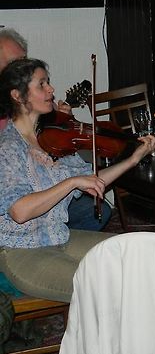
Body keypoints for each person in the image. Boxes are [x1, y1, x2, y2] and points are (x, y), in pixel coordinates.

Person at [0, 58, 155, 302]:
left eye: (48, 82)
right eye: (42, 84)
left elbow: (91, 180)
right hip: (23, 253)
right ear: (18, 96)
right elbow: (20, 211)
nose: (51, 89)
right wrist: (71, 182)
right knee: (109, 289)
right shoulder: (8, 147)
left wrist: (131, 160)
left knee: (137, 255)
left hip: (60, 237)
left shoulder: (53, 138)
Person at [0, 28, 111, 230]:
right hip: (13, 194)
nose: (22, 68)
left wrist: (58, 120)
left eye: (24, 60)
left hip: (42, 184)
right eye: (14, 63)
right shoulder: (8, 136)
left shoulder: (30, 104)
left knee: (98, 211)